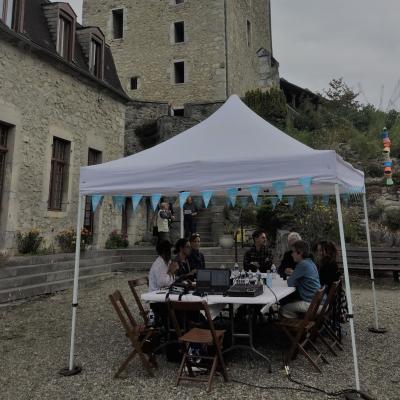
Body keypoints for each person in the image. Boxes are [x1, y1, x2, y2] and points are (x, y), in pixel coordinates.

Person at [280, 240, 321, 319]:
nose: (292, 255)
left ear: (300, 252)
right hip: (319, 302)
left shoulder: (302, 264)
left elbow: (290, 283)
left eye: (293, 252)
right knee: (292, 301)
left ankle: (298, 326)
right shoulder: (310, 262)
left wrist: (294, 276)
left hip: (314, 304)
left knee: (284, 308)